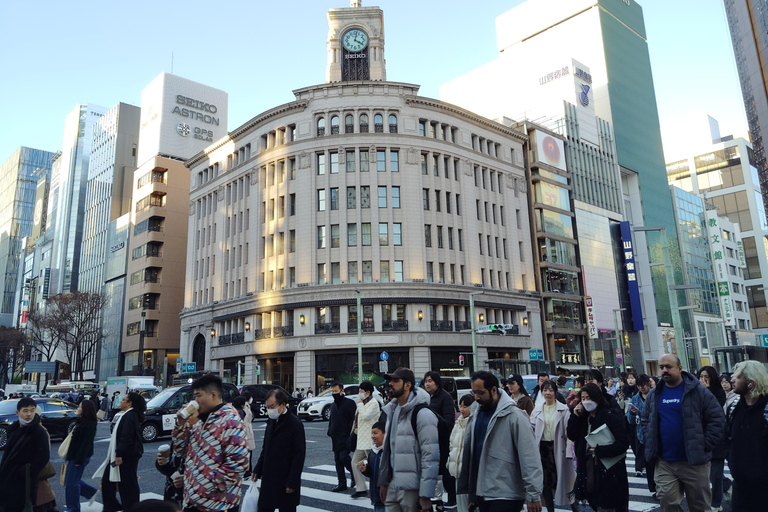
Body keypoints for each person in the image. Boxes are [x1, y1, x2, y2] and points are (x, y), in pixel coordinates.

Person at [640, 354, 725, 512]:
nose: (664, 370)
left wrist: (704, 444)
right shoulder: (655, 394)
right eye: (661, 367)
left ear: (679, 369)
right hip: (665, 461)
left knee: (700, 506)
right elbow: (645, 418)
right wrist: (650, 438)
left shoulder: (698, 391)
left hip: (694, 461)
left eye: (668, 367)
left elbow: (717, 418)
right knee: (667, 501)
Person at [457, 371, 543, 512]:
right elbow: (472, 455)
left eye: (480, 392)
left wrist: (534, 494)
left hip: (507, 492)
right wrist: (471, 491)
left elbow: (529, 455)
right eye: (474, 393)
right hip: (482, 491)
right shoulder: (475, 415)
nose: (476, 397)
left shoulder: (515, 416)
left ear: (494, 390)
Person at [173, 374, 248, 512]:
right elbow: (179, 451)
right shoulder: (200, 421)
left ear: (213, 395)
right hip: (193, 502)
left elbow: (237, 465)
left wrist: (202, 486)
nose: (195, 401)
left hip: (219, 505)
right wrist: (180, 424)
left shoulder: (231, 421)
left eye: (198, 395)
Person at [378, 367, 439, 512]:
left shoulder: (423, 414)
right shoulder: (392, 411)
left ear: (407, 385)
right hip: (393, 484)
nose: (390, 384)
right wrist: (385, 481)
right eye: (390, 380)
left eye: (395, 381)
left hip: (413, 488)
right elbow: (388, 451)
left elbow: (430, 457)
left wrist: (425, 494)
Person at [567, 383, 629, 512]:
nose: (585, 401)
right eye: (582, 398)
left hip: (608, 469)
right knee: (592, 499)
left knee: (607, 504)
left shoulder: (610, 416)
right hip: (587, 466)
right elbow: (571, 435)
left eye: (588, 397)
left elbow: (623, 443)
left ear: (597, 398)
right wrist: (575, 415)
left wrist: (600, 450)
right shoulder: (583, 417)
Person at [253, 388, 306, 512]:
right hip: (269, 477)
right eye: (267, 407)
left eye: (272, 406)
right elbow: (266, 448)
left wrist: (292, 481)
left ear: (282, 405)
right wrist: (258, 468)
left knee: (286, 507)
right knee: (264, 507)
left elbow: (299, 455)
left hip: (286, 477)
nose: (270, 410)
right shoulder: (271, 421)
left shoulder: (295, 424)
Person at [727, 360, 768, 510]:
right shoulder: (733, 408)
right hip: (740, 485)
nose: (732, 380)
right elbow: (727, 438)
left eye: (737, 377)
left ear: (750, 383)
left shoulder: (766, 408)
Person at [94, 391, 146, 512]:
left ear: (129, 403)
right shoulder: (128, 415)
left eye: (123, 400)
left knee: (128, 483)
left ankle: (131, 508)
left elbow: (126, 437)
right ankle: (112, 505)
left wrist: (119, 454)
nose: (121, 401)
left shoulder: (129, 416)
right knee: (109, 480)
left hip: (126, 456)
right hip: (125, 454)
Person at [530, 380, 576, 512]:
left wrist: (569, 452)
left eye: (550, 390)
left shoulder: (563, 409)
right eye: (545, 390)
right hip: (542, 449)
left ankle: (575, 506)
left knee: (565, 481)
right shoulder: (537, 410)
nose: (548, 393)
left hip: (558, 448)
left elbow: (569, 433)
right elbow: (532, 430)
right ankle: (550, 509)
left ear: (555, 392)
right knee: (546, 482)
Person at [0, 397, 51, 512]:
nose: (29, 414)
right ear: (17, 413)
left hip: (24, 483)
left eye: (32, 410)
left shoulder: (38, 432)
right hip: (7, 481)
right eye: (25, 410)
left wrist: (24, 472)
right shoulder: (13, 429)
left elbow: (43, 458)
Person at [424, 371, 457, 508]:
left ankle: (452, 498)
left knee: (446, 472)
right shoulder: (426, 398)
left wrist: (432, 415)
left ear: (437, 382)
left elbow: (449, 422)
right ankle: (435, 499)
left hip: (443, 441)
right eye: (426, 381)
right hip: (429, 440)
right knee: (432, 471)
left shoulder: (445, 397)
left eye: (430, 381)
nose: (427, 384)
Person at [698, 365, 728, 512]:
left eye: (706, 376)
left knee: (715, 473)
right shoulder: (695, 392)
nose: (703, 379)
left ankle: (716, 503)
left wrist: (706, 389)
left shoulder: (718, 392)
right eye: (701, 376)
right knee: (710, 473)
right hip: (701, 436)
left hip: (717, 437)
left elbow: (715, 407)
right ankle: (729, 486)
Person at [65, 399, 99, 512]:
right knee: (72, 480)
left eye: (80, 407)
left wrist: (78, 460)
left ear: (85, 410)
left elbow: (85, 444)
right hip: (76, 456)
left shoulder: (88, 424)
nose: (78, 409)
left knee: (71, 483)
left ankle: (73, 508)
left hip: (79, 457)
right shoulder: (82, 421)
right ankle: (91, 492)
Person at [351, 381, 381, 499]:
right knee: (354, 463)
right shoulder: (363, 403)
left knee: (373, 467)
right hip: (361, 440)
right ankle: (361, 488)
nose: (359, 394)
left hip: (370, 440)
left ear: (368, 392)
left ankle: (376, 489)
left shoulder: (373, 403)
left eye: (361, 391)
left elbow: (365, 416)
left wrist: (359, 405)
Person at [626, 374, 655, 493]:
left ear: (649, 384)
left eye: (643, 385)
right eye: (639, 386)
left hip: (655, 433)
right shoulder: (635, 399)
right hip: (641, 434)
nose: (641, 388)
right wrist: (633, 413)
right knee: (648, 462)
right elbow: (630, 420)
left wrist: (641, 412)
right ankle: (653, 488)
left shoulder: (655, 396)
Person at [327, 382, 357, 492]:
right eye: (332, 391)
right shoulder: (333, 405)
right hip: (335, 436)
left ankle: (354, 474)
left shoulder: (349, 403)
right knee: (337, 461)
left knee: (344, 457)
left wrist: (350, 431)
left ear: (342, 390)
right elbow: (331, 419)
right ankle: (342, 483)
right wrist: (329, 430)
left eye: (336, 391)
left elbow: (353, 419)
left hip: (346, 436)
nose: (334, 393)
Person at [447, 395, 473, 512]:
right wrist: (450, 463)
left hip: (469, 473)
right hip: (457, 471)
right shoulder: (458, 424)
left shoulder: (474, 424)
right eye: (460, 406)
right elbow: (452, 444)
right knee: (461, 505)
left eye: (465, 406)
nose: (462, 409)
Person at [359, 421, 387, 512]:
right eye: (372, 433)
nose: (372, 436)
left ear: (384, 434)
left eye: (376, 433)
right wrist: (365, 470)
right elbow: (371, 473)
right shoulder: (372, 452)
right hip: (375, 495)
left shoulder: (387, 452)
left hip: (386, 495)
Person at [240, 390, 256, 478]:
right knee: (248, 452)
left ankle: (249, 470)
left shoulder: (246, 405)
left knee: (249, 451)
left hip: (248, 430)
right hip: (246, 431)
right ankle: (247, 471)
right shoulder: (244, 407)